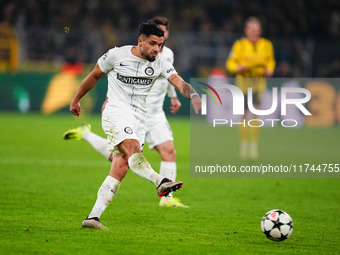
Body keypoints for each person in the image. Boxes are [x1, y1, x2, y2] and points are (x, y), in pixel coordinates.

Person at [69, 22, 201, 230]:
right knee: (133, 149)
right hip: (115, 111)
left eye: (160, 44)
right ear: (140, 41)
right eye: (152, 44)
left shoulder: (160, 62)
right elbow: (94, 75)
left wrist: (192, 94)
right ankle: (160, 181)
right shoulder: (116, 55)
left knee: (121, 167)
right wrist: (76, 99)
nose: (156, 49)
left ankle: (93, 218)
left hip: (140, 119)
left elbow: (179, 82)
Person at [226, 17, 275, 160]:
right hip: (243, 84)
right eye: (251, 29)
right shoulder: (239, 45)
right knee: (243, 115)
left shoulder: (266, 45)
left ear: (259, 31)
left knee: (255, 113)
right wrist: (237, 67)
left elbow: (270, 61)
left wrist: (269, 69)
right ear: (246, 30)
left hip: (258, 84)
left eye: (256, 29)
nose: (253, 32)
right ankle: (243, 145)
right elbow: (230, 63)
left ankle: (253, 147)